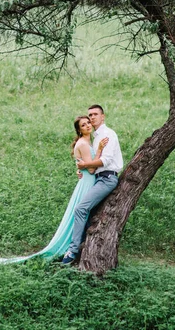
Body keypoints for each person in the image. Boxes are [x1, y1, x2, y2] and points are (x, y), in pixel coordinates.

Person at [0, 116, 108, 264]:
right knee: (82, 214)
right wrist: (99, 150)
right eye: (83, 125)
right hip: (88, 182)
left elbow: (83, 165)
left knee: (84, 215)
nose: (87, 126)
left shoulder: (87, 142)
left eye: (88, 123)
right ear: (79, 130)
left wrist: (80, 168)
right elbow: (92, 169)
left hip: (87, 181)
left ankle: (79, 247)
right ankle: (73, 249)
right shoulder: (84, 144)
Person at [61, 104, 123, 265]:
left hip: (107, 178)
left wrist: (85, 166)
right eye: (90, 115)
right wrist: (82, 168)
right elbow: (90, 163)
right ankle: (82, 247)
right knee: (87, 213)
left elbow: (106, 160)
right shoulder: (95, 138)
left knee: (81, 209)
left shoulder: (108, 134)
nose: (92, 118)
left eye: (95, 114)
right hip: (97, 178)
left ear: (103, 116)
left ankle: (72, 251)